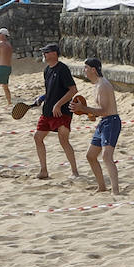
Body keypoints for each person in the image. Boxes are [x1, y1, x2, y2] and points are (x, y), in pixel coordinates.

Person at [70, 57, 121, 194]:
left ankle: (115, 190)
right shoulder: (97, 85)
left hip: (111, 122)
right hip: (104, 122)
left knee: (106, 156)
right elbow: (98, 113)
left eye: (86, 68)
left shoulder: (103, 85)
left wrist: (84, 109)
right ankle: (102, 186)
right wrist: (85, 112)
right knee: (91, 156)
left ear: (93, 69)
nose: (84, 71)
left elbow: (105, 110)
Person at [33, 43, 79, 180]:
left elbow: (73, 90)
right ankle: (44, 170)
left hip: (62, 112)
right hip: (47, 111)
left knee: (63, 141)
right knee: (37, 137)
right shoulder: (47, 70)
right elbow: (50, 91)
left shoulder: (63, 69)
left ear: (54, 53)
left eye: (46, 52)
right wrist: (42, 98)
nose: (44, 54)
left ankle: (75, 172)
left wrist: (58, 104)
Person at [0, 28, 14, 106]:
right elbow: (3, 57)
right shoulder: (9, 44)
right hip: (8, 68)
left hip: (2, 68)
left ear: (3, 35)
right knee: (5, 87)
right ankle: (9, 102)